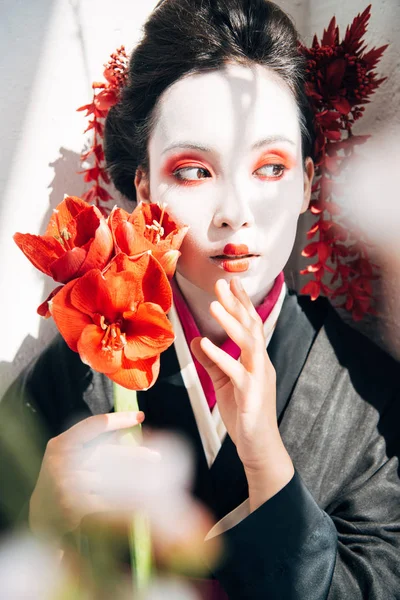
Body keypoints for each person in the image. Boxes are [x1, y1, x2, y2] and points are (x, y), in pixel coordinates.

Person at [1, 1, 399, 598]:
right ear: (145, 187)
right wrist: (39, 522)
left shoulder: (374, 402)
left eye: (269, 167)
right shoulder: (72, 379)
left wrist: (268, 464)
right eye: (193, 171)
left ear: (307, 185)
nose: (234, 213)